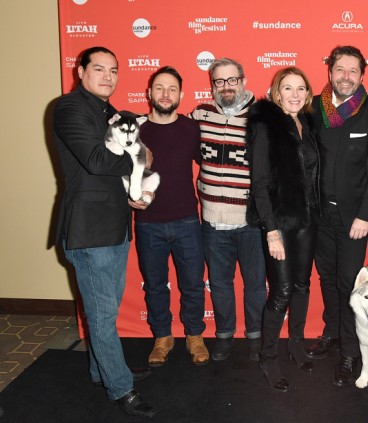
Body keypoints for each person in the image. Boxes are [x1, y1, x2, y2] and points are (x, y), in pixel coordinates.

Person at [53, 46, 156, 418]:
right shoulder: (69, 108)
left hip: (115, 225)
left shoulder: (110, 112)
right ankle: (120, 387)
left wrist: (139, 179)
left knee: (106, 311)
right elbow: (98, 161)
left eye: (114, 70)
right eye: (99, 69)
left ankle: (104, 371)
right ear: (81, 71)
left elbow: (143, 154)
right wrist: (136, 156)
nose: (108, 76)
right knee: (100, 316)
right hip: (88, 229)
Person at [308, 45, 368, 388]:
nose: (345, 76)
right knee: (326, 278)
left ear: (361, 75)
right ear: (330, 72)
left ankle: (350, 348)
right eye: (339, 69)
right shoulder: (312, 107)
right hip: (317, 215)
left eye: (352, 71)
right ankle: (331, 330)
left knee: (348, 284)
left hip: (353, 219)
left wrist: (365, 216)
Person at [246, 67, 320, 392]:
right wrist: (271, 231)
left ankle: (296, 344)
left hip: (308, 220)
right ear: (277, 92)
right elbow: (259, 184)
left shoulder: (309, 124)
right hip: (279, 222)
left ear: (307, 93)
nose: (294, 94)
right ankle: (268, 355)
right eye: (287, 88)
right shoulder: (267, 126)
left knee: (303, 285)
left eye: (300, 88)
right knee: (282, 290)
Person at [189, 58, 266, 362]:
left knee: (256, 285)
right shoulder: (200, 115)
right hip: (211, 219)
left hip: (249, 220)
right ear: (213, 86)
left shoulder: (261, 117)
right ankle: (224, 336)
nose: (226, 87)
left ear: (243, 80)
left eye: (232, 80)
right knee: (220, 284)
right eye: (219, 82)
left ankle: (256, 336)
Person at [135, 66, 209, 367]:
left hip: (187, 221)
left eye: (172, 89)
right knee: (154, 285)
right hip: (148, 223)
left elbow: (210, 165)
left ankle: (195, 336)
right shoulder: (135, 129)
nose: (166, 94)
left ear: (181, 95)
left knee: (192, 284)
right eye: (159, 88)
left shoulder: (192, 128)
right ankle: (162, 337)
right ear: (149, 92)